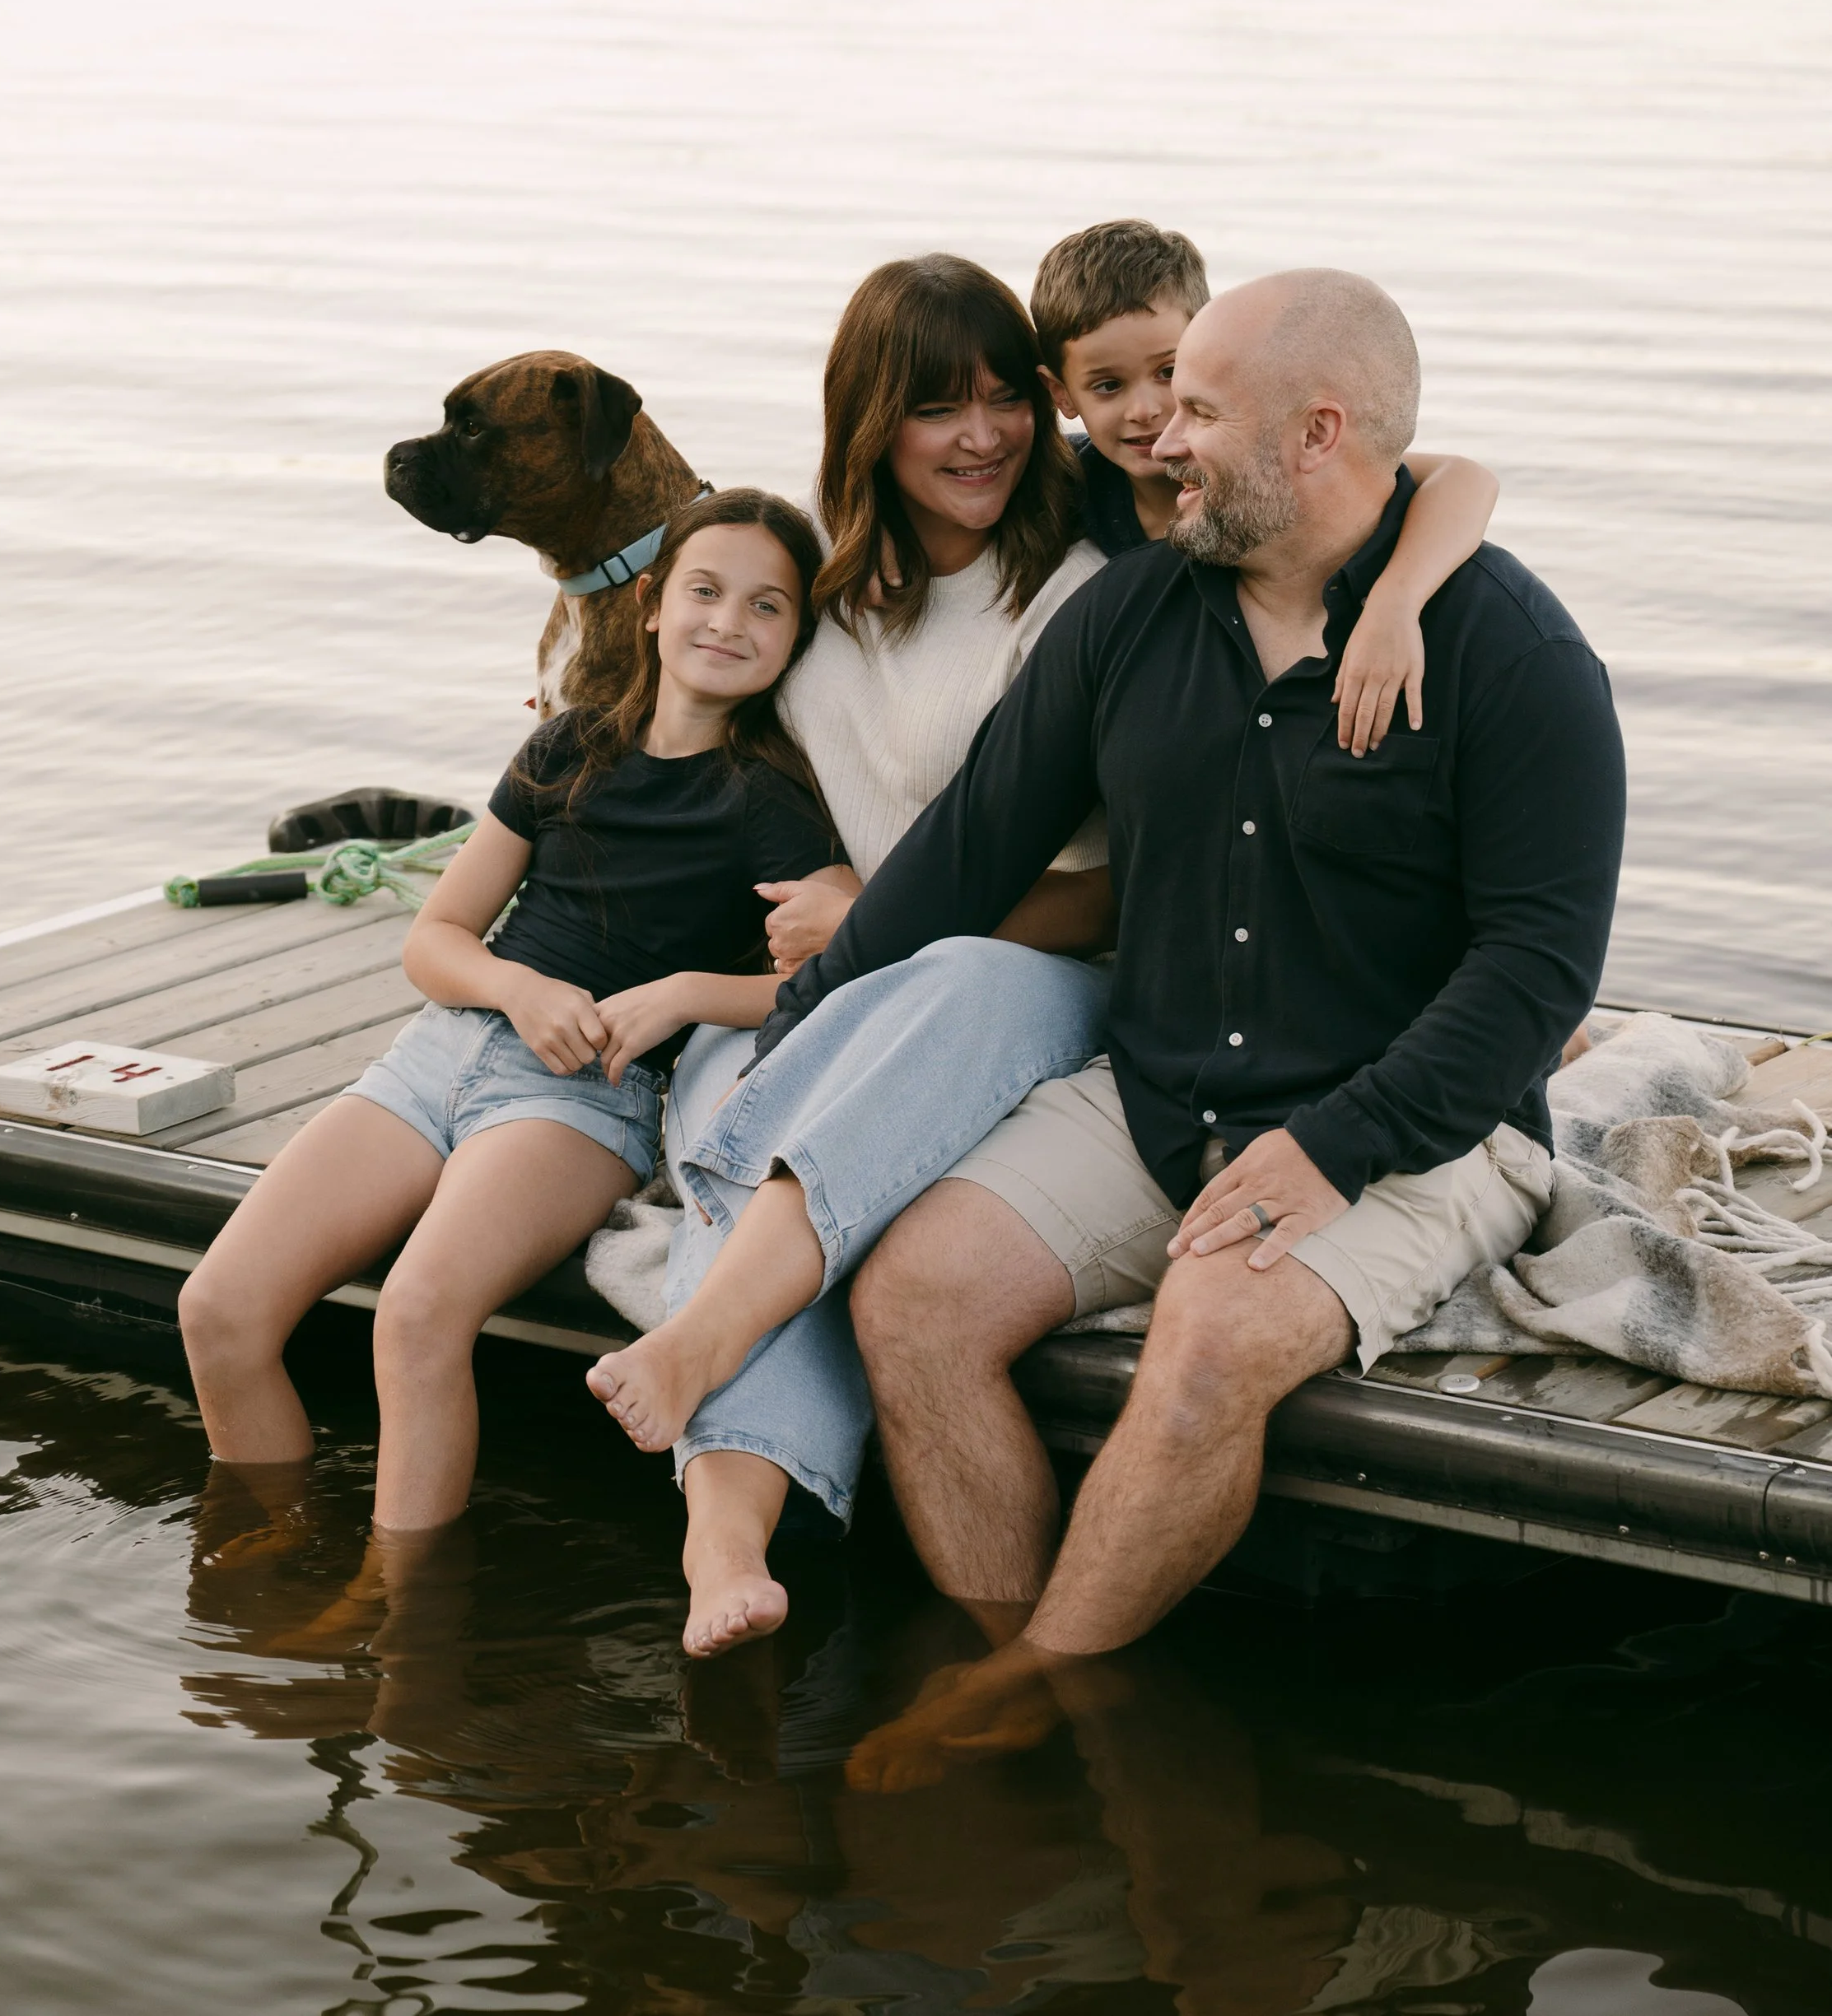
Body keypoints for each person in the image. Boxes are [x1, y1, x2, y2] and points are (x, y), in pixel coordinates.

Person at [585, 247, 1499, 1659]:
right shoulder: (846, 589)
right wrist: (782, 985)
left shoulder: (1114, 570)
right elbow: (710, 726)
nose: (989, 434)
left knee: (930, 998)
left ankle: (999, 1664)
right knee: (765, 1138)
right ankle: (728, 1527)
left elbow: (1412, 469)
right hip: (896, 969)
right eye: (1109, 390)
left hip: (1039, 978)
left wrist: (1396, 601)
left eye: (1003, 400)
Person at [776, 270, 1625, 1783]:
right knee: (913, 1298)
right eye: (1159, 405)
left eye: (1200, 410)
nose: (1159, 439)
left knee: (1214, 1332)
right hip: (1158, 1090)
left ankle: (1033, 1685)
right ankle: (1005, 1637)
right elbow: (967, 852)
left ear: (1318, 434)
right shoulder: (1134, 612)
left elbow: (1536, 970)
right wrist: (788, 1035)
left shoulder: (1516, 657)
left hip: (1416, 1127)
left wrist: (1339, 1147)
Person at [176, 487, 845, 1582]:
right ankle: (270, 1556)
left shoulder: (767, 799)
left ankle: (396, 1608)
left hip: (581, 1095)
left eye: (767, 606)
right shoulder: (567, 747)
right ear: (651, 606)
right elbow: (436, 937)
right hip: (444, 1051)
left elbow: (836, 973)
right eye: (707, 591)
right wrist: (517, 986)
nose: (729, 623)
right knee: (219, 1307)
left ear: (797, 638)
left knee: (418, 1314)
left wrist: (683, 993)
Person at [1032, 216, 1500, 755]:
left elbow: (1464, 478)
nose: (1148, 411)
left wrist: (1395, 602)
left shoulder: (1265, 476)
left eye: (1169, 371)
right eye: (1108, 385)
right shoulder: (1068, 480)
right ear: (1061, 393)